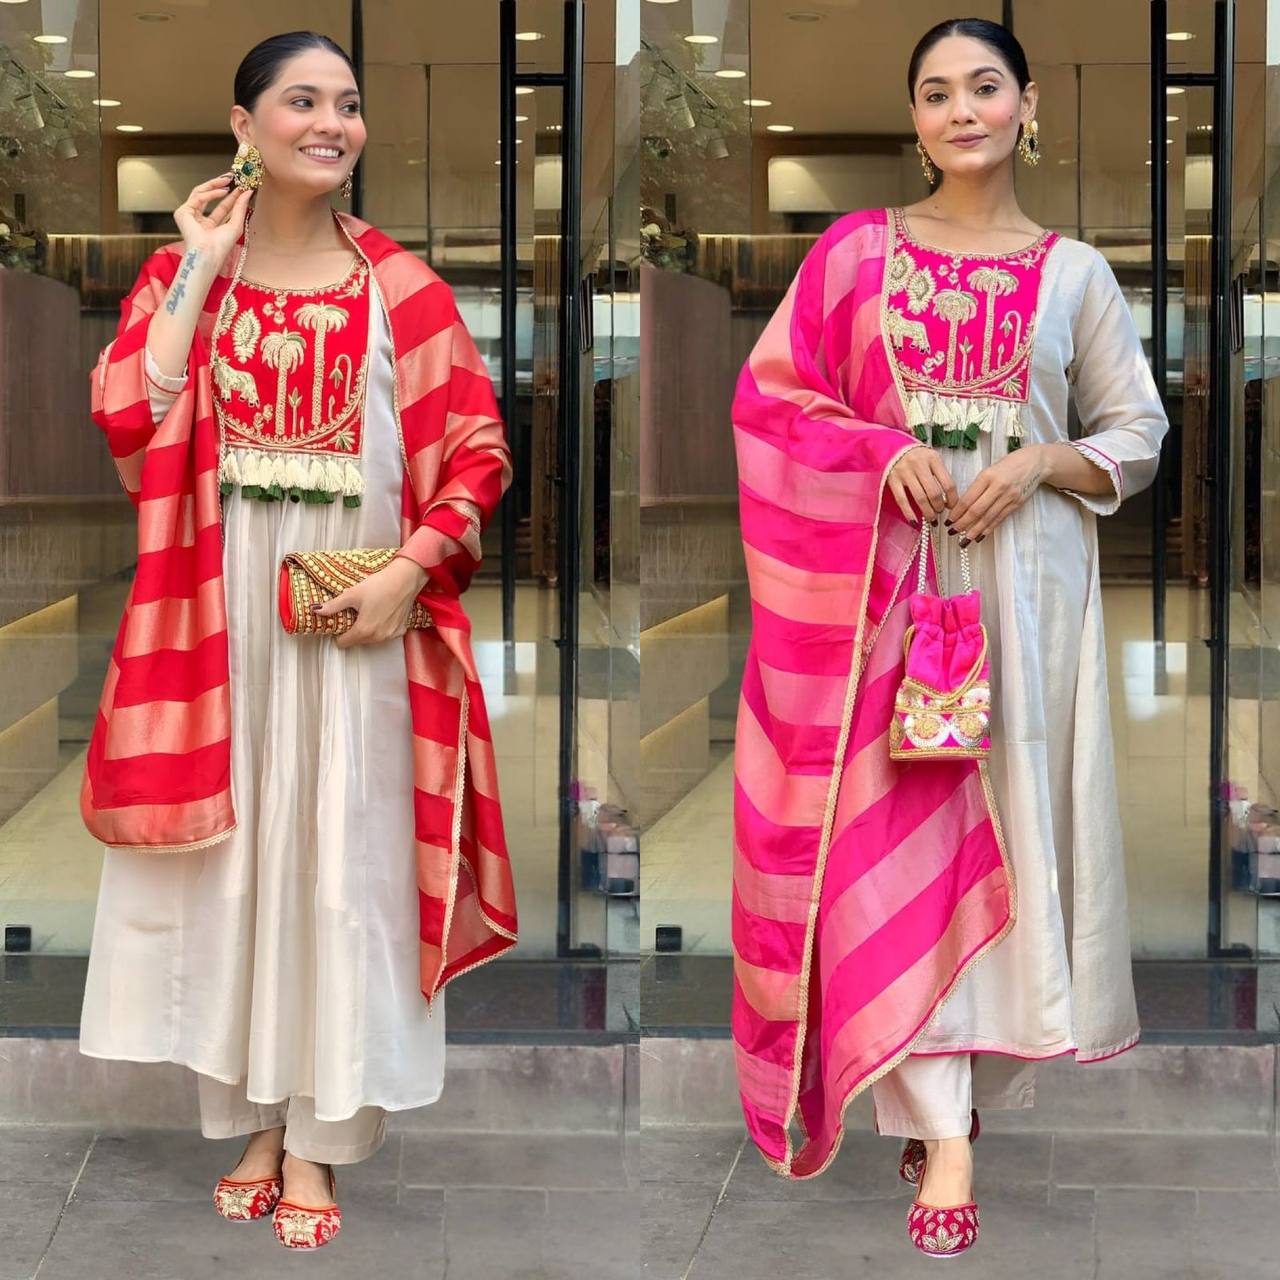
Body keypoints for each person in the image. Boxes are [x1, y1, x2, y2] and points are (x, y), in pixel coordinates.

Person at [729, 17, 1167, 1258]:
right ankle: (944, 1128)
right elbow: (770, 398)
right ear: (911, 117)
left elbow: (1134, 432)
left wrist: (1036, 459)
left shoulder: (1074, 273)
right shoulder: (855, 255)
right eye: (933, 92)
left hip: (1022, 598)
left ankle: (957, 1089)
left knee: (1006, 834)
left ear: (1026, 103)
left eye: (982, 86)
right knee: (894, 836)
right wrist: (883, 450)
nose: (959, 109)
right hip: (881, 595)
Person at [77, 31, 517, 1251]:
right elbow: (126, 420)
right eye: (302, 101)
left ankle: (322, 1136)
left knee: (345, 878)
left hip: (362, 625)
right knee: (241, 879)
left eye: (348, 104)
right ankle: (258, 1119)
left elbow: (477, 454)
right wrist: (198, 264)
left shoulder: (404, 287)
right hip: (218, 631)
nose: (330, 122)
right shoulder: (187, 277)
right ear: (244, 123)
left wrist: (410, 573)